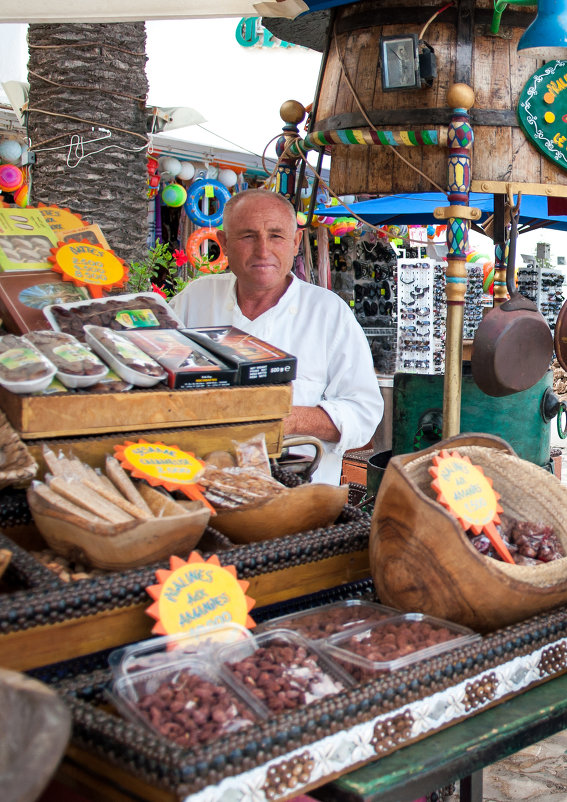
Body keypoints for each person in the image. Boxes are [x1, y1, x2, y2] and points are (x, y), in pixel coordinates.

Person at [170, 189, 383, 484]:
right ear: (224, 244)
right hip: (198, 486)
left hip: (297, 500)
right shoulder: (194, 299)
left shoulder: (328, 312)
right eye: (247, 236)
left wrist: (280, 417)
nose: (262, 250)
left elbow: (363, 414)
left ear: (295, 243)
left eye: (276, 236)